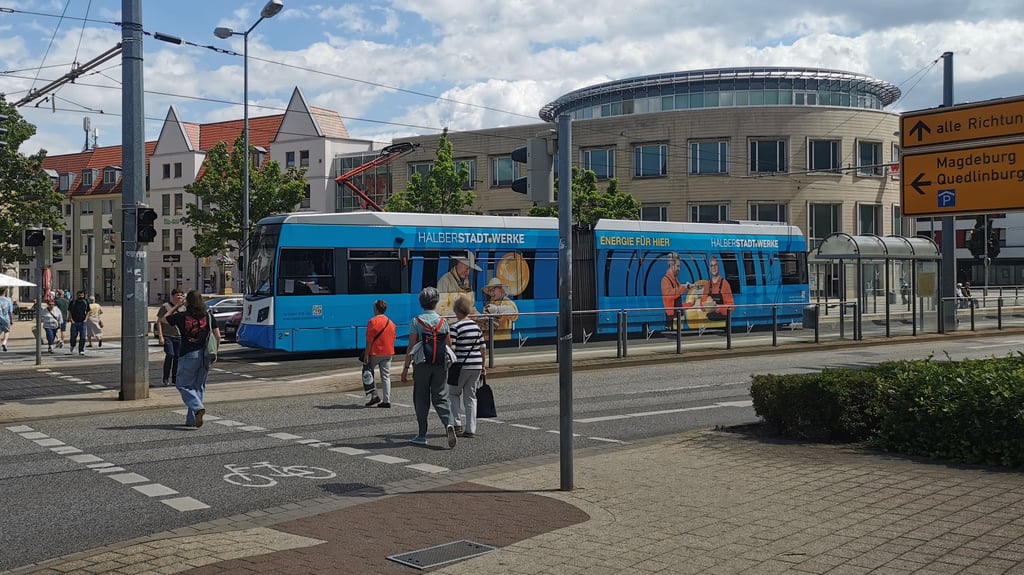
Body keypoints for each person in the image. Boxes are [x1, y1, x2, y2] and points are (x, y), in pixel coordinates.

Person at [400, 286, 458, 448]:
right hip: (439, 364)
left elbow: (411, 346)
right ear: (436, 302)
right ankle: (448, 423)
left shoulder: (416, 322)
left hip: (422, 365)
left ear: (421, 303)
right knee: (440, 396)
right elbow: (449, 344)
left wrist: (405, 368)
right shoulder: (443, 321)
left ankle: (422, 434)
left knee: (421, 397)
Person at [165, 290, 221, 428]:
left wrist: (178, 305)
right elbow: (218, 336)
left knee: (182, 385)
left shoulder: (182, 316)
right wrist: (215, 353)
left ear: (188, 302)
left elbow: (165, 318)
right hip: (205, 355)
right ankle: (191, 420)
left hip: (189, 355)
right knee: (198, 387)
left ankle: (197, 408)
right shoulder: (208, 315)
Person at [449, 296, 486, 438]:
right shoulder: (476, 327)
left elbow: (453, 349)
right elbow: (483, 348)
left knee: (453, 393)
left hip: (460, 366)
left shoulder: (455, 327)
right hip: (476, 365)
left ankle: (457, 423)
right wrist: (483, 366)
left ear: (457, 311)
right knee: (471, 397)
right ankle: (471, 429)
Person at [362, 299, 396, 408]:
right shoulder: (391, 322)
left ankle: (374, 395)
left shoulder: (373, 321)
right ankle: (387, 400)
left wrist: (366, 354)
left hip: (376, 352)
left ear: (376, 309)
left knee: (368, 373)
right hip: (388, 352)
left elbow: (369, 340)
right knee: (386, 376)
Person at [437, 251, 480, 319]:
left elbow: (471, 306)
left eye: (470, 269)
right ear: (459, 264)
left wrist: (478, 316)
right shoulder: (445, 280)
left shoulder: (467, 283)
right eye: (467, 268)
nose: (468, 273)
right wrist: (460, 316)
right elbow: (440, 309)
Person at [156, 289, 185, 387]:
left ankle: (175, 378)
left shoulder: (183, 308)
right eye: (177, 295)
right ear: (173, 296)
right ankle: (165, 378)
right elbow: (159, 321)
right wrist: (160, 336)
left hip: (179, 336)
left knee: (177, 357)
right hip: (167, 335)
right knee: (170, 355)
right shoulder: (165, 306)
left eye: (181, 295)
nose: (180, 297)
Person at [660, 252, 692, 330]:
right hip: (672, 319)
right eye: (678, 266)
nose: (679, 269)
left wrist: (690, 304)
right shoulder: (665, 280)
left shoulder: (675, 280)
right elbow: (670, 295)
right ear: (671, 265)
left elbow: (678, 304)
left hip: (677, 318)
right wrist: (684, 288)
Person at [482, 277, 519, 341]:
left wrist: (497, 310)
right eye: (490, 291)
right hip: (489, 342)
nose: (491, 293)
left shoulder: (508, 302)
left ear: (501, 290)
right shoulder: (488, 305)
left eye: (493, 290)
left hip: (504, 342)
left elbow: (514, 313)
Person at [700, 255, 735, 321]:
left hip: (723, 321)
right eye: (711, 266)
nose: (714, 268)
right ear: (709, 269)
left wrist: (719, 308)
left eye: (715, 265)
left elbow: (731, 307)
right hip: (710, 322)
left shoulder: (725, 284)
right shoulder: (707, 285)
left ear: (718, 267)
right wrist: (707, 300)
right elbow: (702, 307)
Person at [67, 291, 90, 355]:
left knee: (83, 337)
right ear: (77, 296)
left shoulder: (85, 302)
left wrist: (86, 319)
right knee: (73, 337)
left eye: (82, 295)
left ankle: (81, 350)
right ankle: (72, 345)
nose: (81, 296)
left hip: (83, 322)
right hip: (74, 322)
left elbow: (88, 311)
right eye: (79, 295)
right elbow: (69, 311)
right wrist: (71, 319)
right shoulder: (73, 302)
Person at [0, 287, 13, 352]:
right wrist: (11, 320)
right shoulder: (8, 300)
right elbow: (10, 312)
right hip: (5, 318)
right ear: (5, 292)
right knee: (7, 331)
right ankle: (4, 342)